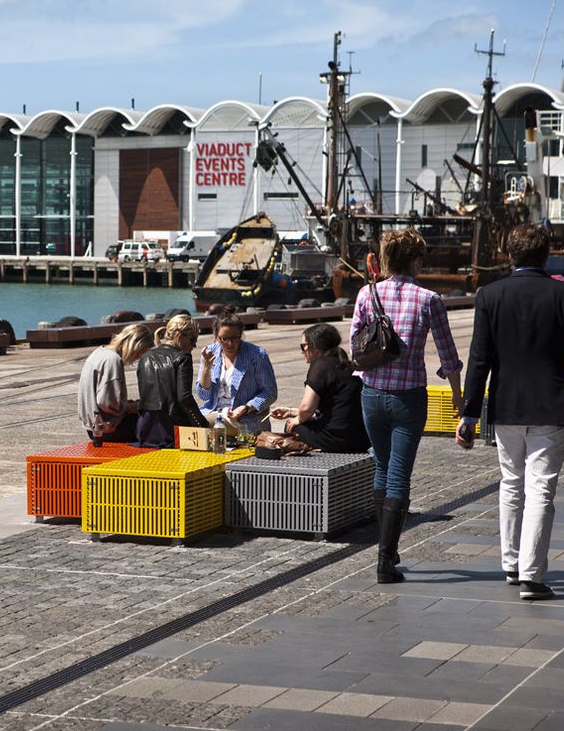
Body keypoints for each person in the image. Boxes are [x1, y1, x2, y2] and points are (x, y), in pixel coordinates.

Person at [456, 224, 564, 600]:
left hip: (505, 405)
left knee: (510, 482)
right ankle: (531, 576)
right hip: (550, 405)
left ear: (508, 254)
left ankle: (510, 562)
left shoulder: (490, 295)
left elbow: (479, 358)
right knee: (540, 489)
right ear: (545, 254)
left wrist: (469, 413)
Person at [351, 229, 463, 584]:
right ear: (416, 260)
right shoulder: (428, 299)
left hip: (371, 394)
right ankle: (385, 561)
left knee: (381, 469)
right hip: (408, 398)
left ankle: (388, 547)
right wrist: (459, 400)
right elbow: (449, 356)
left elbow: (356, 343)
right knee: (399, 475)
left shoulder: (367, 293)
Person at [270, 323, 370, 453]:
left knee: (292, 427)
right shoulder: (346, 364)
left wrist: (297, 419)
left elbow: (306, 408)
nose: (302, 351)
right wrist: (290, 411)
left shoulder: (321, 365)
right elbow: (334, 409)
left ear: (314, 347)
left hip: (336, 439)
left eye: (303, 346)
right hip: (361, 439)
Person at [195, 312, 277, 437]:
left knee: (205, 427)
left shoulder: (257, 354)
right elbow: (204, 395)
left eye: (235, 338)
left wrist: (247, 407)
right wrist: (206, 368)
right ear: (216, 336)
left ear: (241, 335)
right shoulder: (211, 352)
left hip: (245, 416)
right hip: (214, 411)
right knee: (185, 423)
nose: (230, 343)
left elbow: (270, 393)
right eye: (224, 338)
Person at [135, 314, 208, 448]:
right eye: (192, 339)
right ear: (179, 335)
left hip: (145, 428)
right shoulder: (183, 357)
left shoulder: (145, 357)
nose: (194, 345)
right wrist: (202, 424)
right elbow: (184, 398)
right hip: (172, 429)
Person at [77, 323, 153, 444]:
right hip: (108, 429)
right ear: (135, 345)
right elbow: (107, 402)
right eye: (141, 352)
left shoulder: (99, 352)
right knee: (157, 421)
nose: (138, 358)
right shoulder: (113, 359)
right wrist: (132, 407)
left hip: (92, 427)